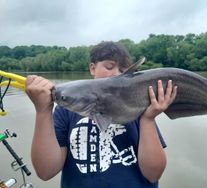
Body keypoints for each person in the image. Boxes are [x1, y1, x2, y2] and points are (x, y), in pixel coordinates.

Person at [25, 41, 177, 188]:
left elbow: (153, 174)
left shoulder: (139, 108)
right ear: (92, 68)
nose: (116, 73)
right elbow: (45, 172)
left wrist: (148, 119)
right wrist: (43, 110)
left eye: (123, 71)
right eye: (109, 66)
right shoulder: (65, 111)